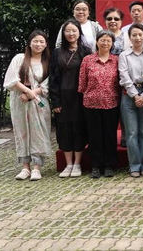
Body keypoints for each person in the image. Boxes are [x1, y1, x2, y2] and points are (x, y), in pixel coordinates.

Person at [4, 30, 52, 181]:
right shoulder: (19, 58)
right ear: (29, 43)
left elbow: (49, 83)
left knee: (39, 132)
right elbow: (11, 79)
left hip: (39, 102)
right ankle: (25, 167)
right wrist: (27, 91)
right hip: (20, 101)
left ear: (46, 44)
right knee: (22, 132)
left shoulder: (48, 62)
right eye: (35, 41)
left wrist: (33, 93)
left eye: (41, 42)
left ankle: (37, 167)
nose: (38, 44)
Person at [50, 18, 90, 178]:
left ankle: (78, 164)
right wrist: (55, 101)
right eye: (67, 31)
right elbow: (53, 78)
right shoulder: (57, 53)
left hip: (80, 98)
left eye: (74, 30)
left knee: (79, 128)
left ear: (79, 32)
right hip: (62, 98)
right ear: (63, 33)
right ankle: (68, 164)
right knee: (64, 130)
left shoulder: (86, 51)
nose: (71, 33)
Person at [78, 30, 121, 178]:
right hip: (91, 103)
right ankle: (96, 165)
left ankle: (109, 165)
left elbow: (120, 81)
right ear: (97, 42)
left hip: (111, 103)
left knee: (110, 135)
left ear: (112, 43)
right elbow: (82, 83)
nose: (105, 43)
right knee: (94, 135)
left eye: (108, 40)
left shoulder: (116, 60)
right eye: (102, 40)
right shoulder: (88, 60)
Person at [118, 23, 143, 178]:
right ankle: (135, 166)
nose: (137, 38)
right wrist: (135, 96)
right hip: (128, 95)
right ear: (129, 38)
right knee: (131, 133)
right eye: (134, 35)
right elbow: (124, 77)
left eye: (140, 35)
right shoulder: (124, 56)